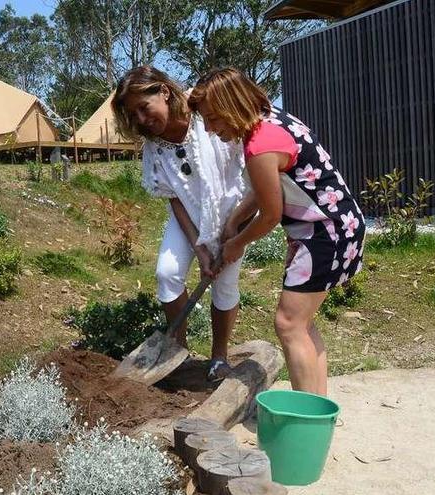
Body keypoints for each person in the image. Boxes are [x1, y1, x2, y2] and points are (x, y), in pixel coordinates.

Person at [189, 68, 366, 395]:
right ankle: (316, 407)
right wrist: (233, 223)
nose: (212, 129)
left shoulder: (259, 144)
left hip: (325, 233)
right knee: (301, 323)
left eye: (214, 119)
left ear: (234, 105)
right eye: (206, 122)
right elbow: (264, 189)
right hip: (338, 227)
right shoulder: (273, 120)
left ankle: (305, 419)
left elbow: (270, 215)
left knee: (289, 323)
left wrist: (237, 244)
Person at [111, 66, 247, 382]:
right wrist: (199, 247)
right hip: (187, 216)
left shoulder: (205, 114)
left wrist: (233, 233)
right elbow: (174, 197)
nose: (142, 120)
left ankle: (219, 358)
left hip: (231, 216)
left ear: (164, 92)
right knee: (167, 273)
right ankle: (178, 354)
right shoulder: (154, 147)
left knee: (224, 285)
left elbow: (244, 165)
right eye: (134, 115)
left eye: (144, 108)